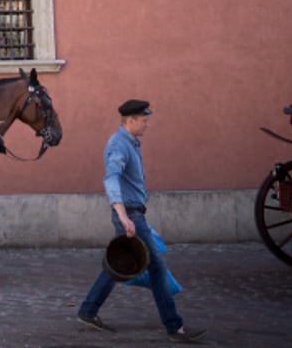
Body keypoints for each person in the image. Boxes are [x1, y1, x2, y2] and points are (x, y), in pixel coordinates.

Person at [77, 99, 205, 344]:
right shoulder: (119, 146)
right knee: (156, 268)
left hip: (133, 212)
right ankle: (174, 328)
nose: (148, 124)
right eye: (144, 120)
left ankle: (88, 309)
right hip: (131, 215)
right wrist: (124, 216)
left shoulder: (130, 143)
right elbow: (111, 179)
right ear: (131, 120)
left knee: (122, 264)